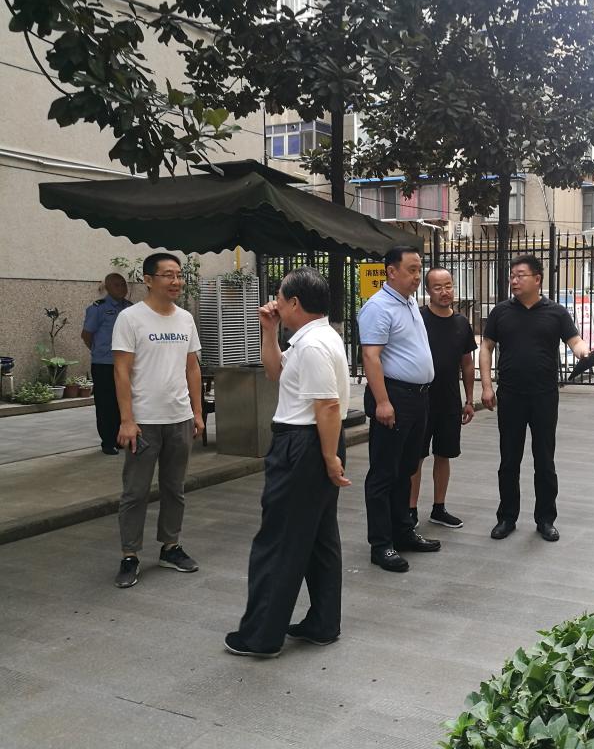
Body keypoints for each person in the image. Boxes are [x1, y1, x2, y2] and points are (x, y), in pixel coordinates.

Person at [225, 267, 351, 658]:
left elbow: (327, 405)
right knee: (319, 538)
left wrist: (329, 457)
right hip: (313, 442)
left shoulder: (312, 344)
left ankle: (261, 635)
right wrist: (269, 330)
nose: (275, 302)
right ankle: (323, 623)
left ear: (295, 302)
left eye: (280, 296)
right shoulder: (314, 337)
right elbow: (274, 372)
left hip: (304, 444)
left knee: (279, 540)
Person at [480, 254, 589, 543]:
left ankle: (545, 519)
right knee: (509, 459)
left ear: (537, 279)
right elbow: (486, 347)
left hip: (544, 396)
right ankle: (507, 517)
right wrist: (487, 386)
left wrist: (582, 351)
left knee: (544, 459)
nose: (514, 281)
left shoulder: (556, 312)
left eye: (520, 275)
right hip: (510, 395)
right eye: (512, 276)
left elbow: (574, 340)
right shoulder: (501, 312)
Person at [111, 253, 203, 588]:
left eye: (178, 275)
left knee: (174, 488)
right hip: (143, 421)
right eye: (167, 275)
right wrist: (127, 419)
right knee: (135, 492)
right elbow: (121, 370)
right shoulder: (130, 318)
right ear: (148, 280)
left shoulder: (185, 319)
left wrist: (197, 412)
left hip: (179, 418)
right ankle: (129, 555)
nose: (176, 281)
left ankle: (170, 547)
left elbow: (192, 367)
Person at [358, 246, 442, 572]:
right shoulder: (378, 307)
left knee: (406, 468)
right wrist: (382, 402)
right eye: (411, 269)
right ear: (391, 271)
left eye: (419, 269)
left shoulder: (407, 303)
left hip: (418, 398)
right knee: (383, 473)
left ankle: (403, 532)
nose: (418, 276)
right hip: (394, 397)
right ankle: (381, 544)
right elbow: (371, 356)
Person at [409, 267, 477, 530]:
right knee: (416, 456)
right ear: (427, 291)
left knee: (444, 454)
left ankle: (439, 508)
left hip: (449, 400)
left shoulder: (461, 323)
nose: (444, 292)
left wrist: (469, 399)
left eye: (448, 286)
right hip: (420, 399)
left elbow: (467, 363)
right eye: (437, 287)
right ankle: (410, 510)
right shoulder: (417, 319)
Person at [81, 273, 132, 455]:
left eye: (123, 284)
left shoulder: (130, 308)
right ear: (108, 288)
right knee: (106, 403)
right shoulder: (98, 308)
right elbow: (86, 335)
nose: (122, 288)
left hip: (125, 364)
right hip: (104, 363)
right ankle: (108, 441)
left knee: (123, 401)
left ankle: (121, 438)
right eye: (117, 285)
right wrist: (99, 351)